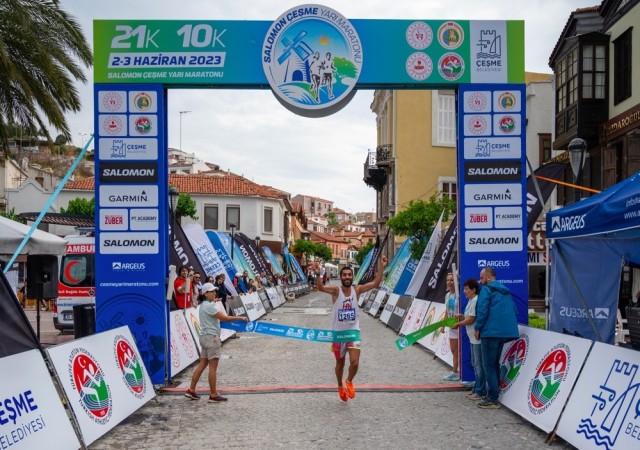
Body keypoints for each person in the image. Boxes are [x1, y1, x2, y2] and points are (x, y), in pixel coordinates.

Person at [314, 255, 388, 402]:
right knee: (340, 364)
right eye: (345, 275)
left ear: (352, 277)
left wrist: (382, 267)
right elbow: (321, 287)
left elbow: (375, 283)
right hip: (338, 334)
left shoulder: (357, 289)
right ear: (341, 277)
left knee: (354, 362)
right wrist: (318, 274)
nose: (347, 277)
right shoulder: (336, 291)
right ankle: (340, 386)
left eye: (349, 275)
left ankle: (348, 381)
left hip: (353, 332)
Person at [184, 283, 248, 403]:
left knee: (202, 365)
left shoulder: (203, 305)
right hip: (212, 338)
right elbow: (225, 318)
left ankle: (191, 390)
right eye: (211, 291)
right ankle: (213, 395)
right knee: (212, 368)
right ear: (205, 293)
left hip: (204, 337)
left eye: (214, 291)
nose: (214, 293)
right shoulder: (210, 306)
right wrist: (240, 318)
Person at [474, 267, 519, 409]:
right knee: (495, 364)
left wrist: (478, 327)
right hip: (503, 333)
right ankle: (495, 394)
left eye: (481, 278)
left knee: (488, 366)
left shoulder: (486, 290)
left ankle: (493, 398)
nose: (480, 281)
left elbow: (482, 310)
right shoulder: (505, 291)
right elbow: (515, 310)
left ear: (488, 277)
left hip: (490, 332)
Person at [453, 278, 486, 400]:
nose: (464, 291)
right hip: (472, 336)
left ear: (473, 290)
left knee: (478, 364)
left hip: (477, 337)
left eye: (466, 289)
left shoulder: (476, 300)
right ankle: (477, 388)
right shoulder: (471, 300)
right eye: (464, 288)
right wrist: (461, 317)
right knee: (475, 363)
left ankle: (480, 390)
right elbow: (469, 317)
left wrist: (458, 324)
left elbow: (472, 319)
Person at [442, 272, 460, 381]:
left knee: (458, 350)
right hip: (451, 326)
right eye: (448, 280)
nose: (450, 282)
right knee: (453, 350)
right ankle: (455, 371)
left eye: (452, 280)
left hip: (460, 325)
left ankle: (455, 371)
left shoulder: (459, 295)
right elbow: (447, 311)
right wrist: (443, 325)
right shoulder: (447, 295)